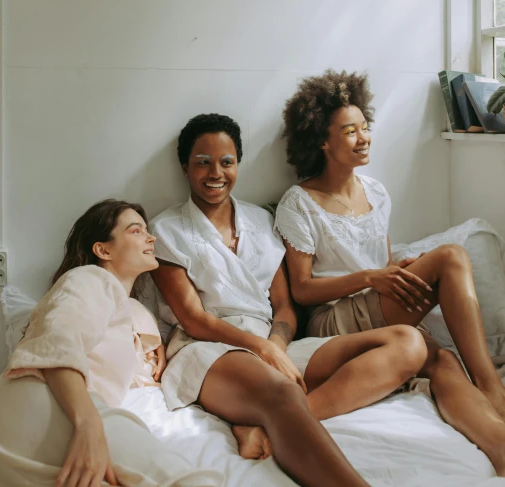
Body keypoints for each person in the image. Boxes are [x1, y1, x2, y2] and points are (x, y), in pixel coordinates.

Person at [150, 113, 428, 487]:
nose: (216, 172)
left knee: (409, 343)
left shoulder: (261, 222)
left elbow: (283, 305)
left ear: (238, 165)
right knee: (281, 390)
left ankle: (262, 425)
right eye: (203, 162)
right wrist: (264, 352)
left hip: (271, 342)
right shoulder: (166, 229)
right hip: (210, 348)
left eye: (226, 162)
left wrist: (276, 345)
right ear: (185, 167)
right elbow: (195, 319)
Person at [276, 69, 505, 476]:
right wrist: (370, 278)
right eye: (350, 131)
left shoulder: (376, 192)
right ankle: (492, 386)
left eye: (365, 127)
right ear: (323, 141)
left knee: (442, 361)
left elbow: (380, 264)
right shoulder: (299, 202)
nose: (364, 137)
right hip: (331, 320)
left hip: (373, 307)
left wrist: (388, 271)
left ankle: (499, 447)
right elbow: (303, 290)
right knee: (450, 256)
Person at [0, 198, 223, 487]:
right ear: (103, 249)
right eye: (136, 231)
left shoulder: (129, 313)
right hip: (48, 398)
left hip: (12, 426)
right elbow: (59, 339)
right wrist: (89, 423)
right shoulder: (90, 277)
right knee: (184, 481)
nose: (151, 237)